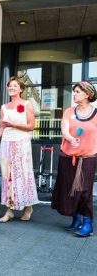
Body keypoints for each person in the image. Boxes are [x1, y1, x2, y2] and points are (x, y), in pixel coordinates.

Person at [0, 76, 39, 222]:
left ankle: (28, 207)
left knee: (23, 175)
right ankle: (9, 210)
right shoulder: (4, 107)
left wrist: (13, 124)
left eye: (15, 86)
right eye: (10, 86)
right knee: (7, 177)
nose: (12, 88)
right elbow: (1, 129)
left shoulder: (27, 104)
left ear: (21, 89)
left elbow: (31, 126)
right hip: (6, 143)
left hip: (22, 143)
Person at [51, 81, 97, 237]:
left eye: (78, 91)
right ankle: (76, 220)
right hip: (68, 157)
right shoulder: (69, 111)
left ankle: (88, 224)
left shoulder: (96, 114)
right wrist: (70, 138)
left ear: (88, 94)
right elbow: (64, 129)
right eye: (75, 91)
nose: (75, 94)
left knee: (84, 190)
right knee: (70, 189)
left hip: (87, 157)